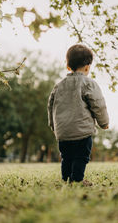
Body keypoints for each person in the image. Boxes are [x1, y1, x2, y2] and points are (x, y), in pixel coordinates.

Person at [47, 44, 109, 185]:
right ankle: (77, 179)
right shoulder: (88, 83)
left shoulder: (58, 86)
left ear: (68, 67)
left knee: (67, 157)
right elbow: (98, 104)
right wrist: (103, 122)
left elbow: (50, 106)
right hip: (82, 132)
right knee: (81, 157)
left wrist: (53, 126)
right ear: (87, 67)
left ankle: (66, 178)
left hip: (63, 132)